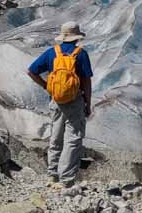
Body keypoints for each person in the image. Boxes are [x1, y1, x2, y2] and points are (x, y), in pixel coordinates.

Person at [26, 22, 93, 187]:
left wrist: (46, 86)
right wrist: (88, 104)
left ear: (63, 37)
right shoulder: (81, 54)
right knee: (73, 139)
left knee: (55, 136)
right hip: (75, 101)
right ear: (77, 37)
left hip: (56, 101)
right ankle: (67, 179)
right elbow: (86, 82)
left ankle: (52, 174)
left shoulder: (52, 53)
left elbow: (31, 71)